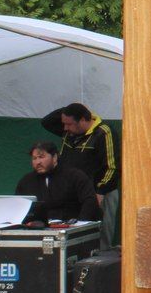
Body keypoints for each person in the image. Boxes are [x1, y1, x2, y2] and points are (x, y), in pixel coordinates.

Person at [42, 103, 118, 247]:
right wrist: (68, 109)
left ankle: (100, 265)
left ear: (83, 120)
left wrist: (100, 191)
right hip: (73, 192)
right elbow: (46, 121)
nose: (65, 128)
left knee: (101, 235)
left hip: (99, 192)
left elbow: (112, 167)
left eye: (69, 124)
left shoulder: (103, 132)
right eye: (64, 123)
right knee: (75, 233)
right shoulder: (69, 131)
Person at [15, 141, 101, 224]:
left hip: (71, 227)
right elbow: (19, 207)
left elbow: (90, 201)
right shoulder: (26, 181)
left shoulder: (74, 176)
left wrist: (79, 224)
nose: (38, 162)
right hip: (38, 229)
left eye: (41, 157)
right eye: (34, 158)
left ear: (55, 157)